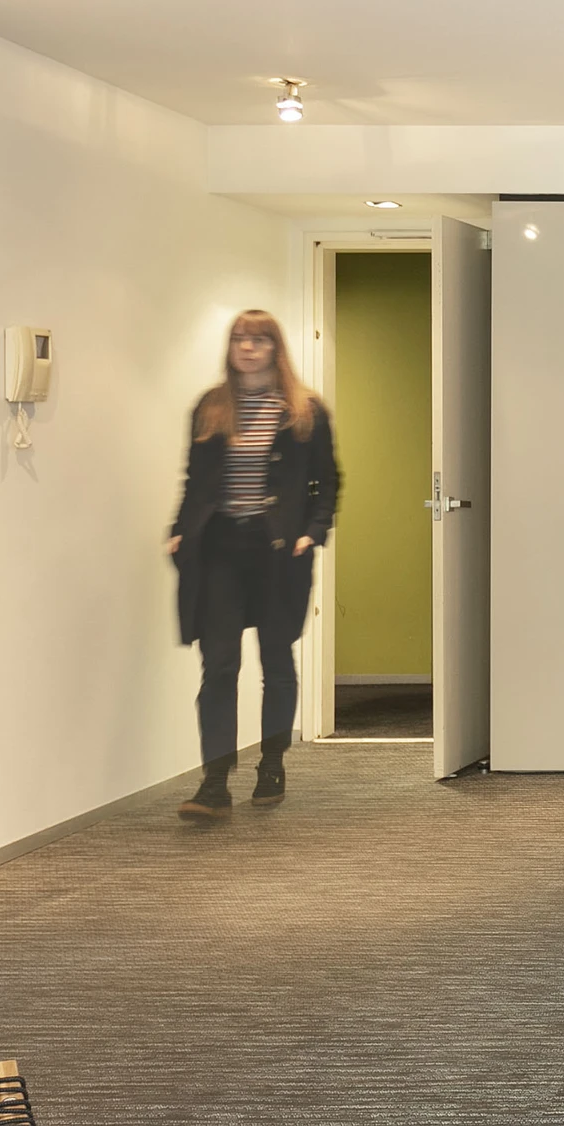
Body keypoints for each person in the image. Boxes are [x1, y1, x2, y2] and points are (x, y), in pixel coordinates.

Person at [165, 310, 340, 817]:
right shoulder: (211, 407)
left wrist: (313, 531)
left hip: (278, 551)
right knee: (219, 665)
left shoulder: (305, 411)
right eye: (240, 338)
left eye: (259, 340)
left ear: (275, 348)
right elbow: (194, 480)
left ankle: (272, 765)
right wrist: (180, 529)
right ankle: (214, 783)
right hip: (219, 549)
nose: (248, 348)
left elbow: (327, 482)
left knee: (276, 661)